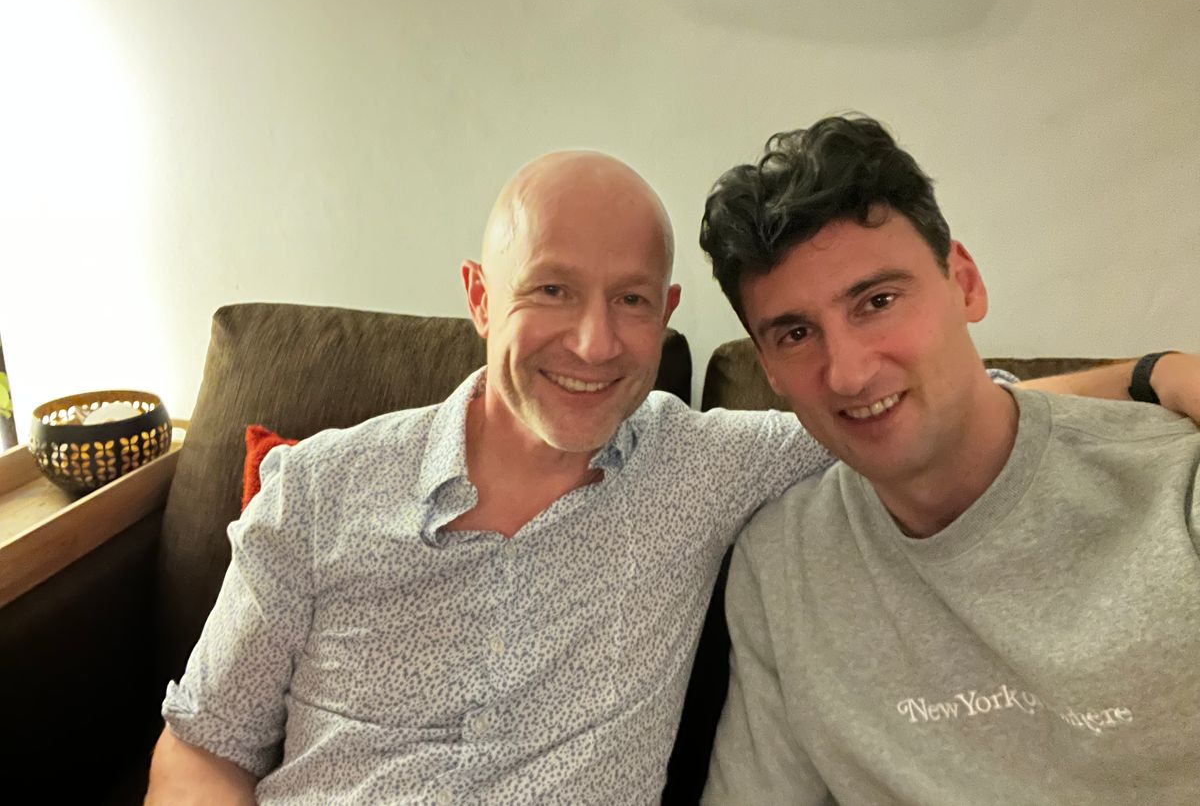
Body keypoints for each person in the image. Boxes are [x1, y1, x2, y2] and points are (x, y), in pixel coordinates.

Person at [146, 150, 1197, 804]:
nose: (595, 344)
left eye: (634, 302)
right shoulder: (317, 493)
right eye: (551, 290)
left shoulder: (702, 466)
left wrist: (1156, 374)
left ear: (669, 309)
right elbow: (200, 750)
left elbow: (931, 407)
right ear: (478, 295)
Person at [698, 115, 1200, 805]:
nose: (846, 373)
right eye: (795, 333)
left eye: (877, 301)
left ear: (964, 283)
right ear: (769, 370)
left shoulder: (1176, 488)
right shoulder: (779, 562)